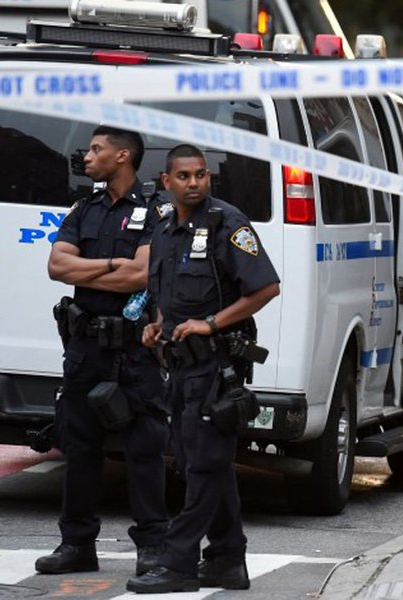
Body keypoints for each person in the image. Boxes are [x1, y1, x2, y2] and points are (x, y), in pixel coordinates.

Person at [127, 144, 280, 594]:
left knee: (204, 467)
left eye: (201, 175)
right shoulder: (164, 229)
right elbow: (166, 297)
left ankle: (177, 564)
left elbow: (266, 287)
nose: (194, 183)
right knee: (203, 462)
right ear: (166, 183)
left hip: (217, 367)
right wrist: (155, 326)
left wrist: (209, 323)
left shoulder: (227, 224)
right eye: (184, 176)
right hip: (180, 369)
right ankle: (227, 559)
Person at [39, 126, 168, 575]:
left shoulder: (156, 210)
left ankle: (152, 548)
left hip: (134, 351)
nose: (87, 156)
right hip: (85, 346)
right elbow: (57, 265)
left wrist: (94, 270)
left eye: (97, 149)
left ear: (123, 156)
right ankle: (76, 545)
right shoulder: (85, 208)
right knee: (78, 448)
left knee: (144, 449)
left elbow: (142, 276)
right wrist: (114, 264)